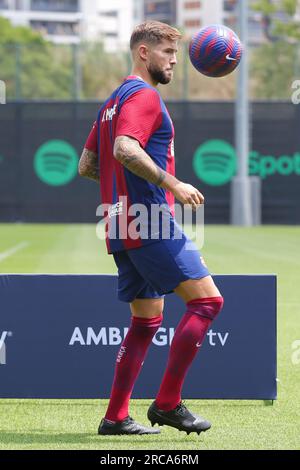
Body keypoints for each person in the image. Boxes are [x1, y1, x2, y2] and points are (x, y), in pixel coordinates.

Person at [78, 21, 224, 436]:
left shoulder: (112, 100)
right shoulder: (144, 96)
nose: (175, 61)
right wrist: (171, 183)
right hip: (150, 219)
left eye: (176, 54)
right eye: (167, 53)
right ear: (143, 52)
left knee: (145, 323)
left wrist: (122, 190)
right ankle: (168, 404)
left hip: (120, 222)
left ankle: (115, 418)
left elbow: (87, 165)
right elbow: (125, 149)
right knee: (207, 303)